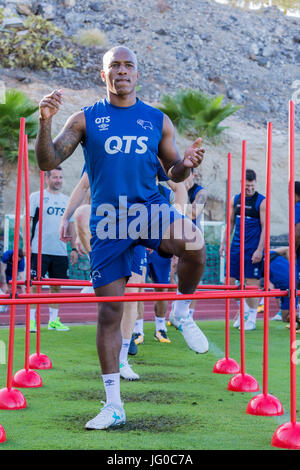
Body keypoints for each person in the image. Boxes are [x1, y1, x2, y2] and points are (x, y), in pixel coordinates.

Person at [35, 46, 207, 431]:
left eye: (129, 65)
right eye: (115, 65)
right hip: (108, 221)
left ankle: (181, 313)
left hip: (148, 209)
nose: (122, 71)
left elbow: (173, 173)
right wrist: (45, 121)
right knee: (110, 313)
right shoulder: (85, 119)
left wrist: (187, 165)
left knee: (195, 244)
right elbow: (47, 161)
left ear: (137, 74)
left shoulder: (157, 120)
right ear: (104, 74)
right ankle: (114, 405)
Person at [133, 172, 187, 344]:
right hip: (140, 247)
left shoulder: (166, 193)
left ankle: (160, 328)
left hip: (160, 249)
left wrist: (176, 250)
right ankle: (137, 330)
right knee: (137, 290)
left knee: (162, 290)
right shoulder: (136, 191)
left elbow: (176, 218)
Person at [23, 167, 78, 332]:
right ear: (47, 179)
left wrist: (74, 248)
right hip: (38, 250)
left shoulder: (66, 200)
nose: (58, 180)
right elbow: (27, 221)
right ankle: (32, 321)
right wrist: (26, 245)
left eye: (60, 177)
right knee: (34, 286)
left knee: (56, 287)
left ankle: (53, 321)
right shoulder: (36, 197)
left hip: (60, 251)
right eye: (55, 177)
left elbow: (72, 225)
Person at [219, 169, 266, 331]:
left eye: (252, 186)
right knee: (230, 283)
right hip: (236, 247)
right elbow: (230, 222)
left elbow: (265, 227)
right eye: (247, 186)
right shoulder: (236, 199)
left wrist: (260, 250)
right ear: (241, 184)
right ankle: (243, 309)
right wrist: (224, 243)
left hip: (253, 249)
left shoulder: (261, 202)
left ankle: (252, 318)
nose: (250, 189)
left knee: (251, 285)